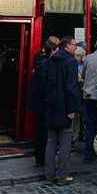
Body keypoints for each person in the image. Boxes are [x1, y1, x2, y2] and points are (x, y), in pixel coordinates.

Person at [43, 36, 81, 185]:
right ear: (67, 46)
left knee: (51, 141)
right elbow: (71, 87)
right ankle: (62, 176)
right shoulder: (70, 61)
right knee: (65, 142)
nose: (75, 47)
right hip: (65, 107)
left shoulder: (51, 60)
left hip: (52, 106)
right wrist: (72, 109)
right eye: (74, 45)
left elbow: (47, 83)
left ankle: (49, 175)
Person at [26, 36, 60, 166]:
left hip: (38, 101)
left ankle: (40, 157)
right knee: (44, 132)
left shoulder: (38, 58)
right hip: (44, 102)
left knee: (41, 131)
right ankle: (43, 158)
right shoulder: (47, 61)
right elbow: (46, 83)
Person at [71, 46, 87, 151]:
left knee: (82, 116)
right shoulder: (72, 64)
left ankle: (79, 136)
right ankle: (74, 138)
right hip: (77, 94)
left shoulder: (83, 63)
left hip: (82, 94)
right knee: (76, 117)